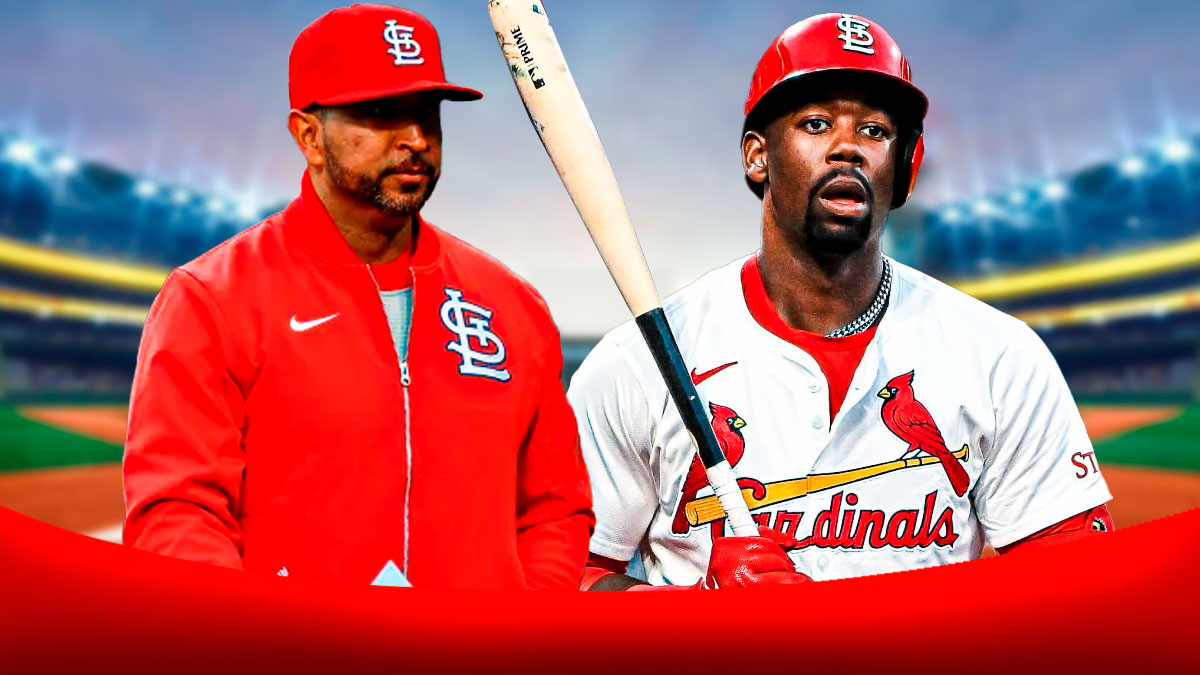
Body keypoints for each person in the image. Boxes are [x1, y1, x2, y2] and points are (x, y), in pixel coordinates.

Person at [569, 13, 1112, 591]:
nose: (847, 147)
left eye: (875, 131)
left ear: (904, 168)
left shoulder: (997, 354)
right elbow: (566, 577)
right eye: (817, 123)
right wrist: (694, 612)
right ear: (758, 157)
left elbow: (1075, 583)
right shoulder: (641, 359)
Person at [123, 4, 593, 589]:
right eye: (380, 114)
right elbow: (177, 509)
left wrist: (524, 620)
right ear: (310, 136)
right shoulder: (212, 298)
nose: (416, 139)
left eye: (426, 114)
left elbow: (555, 508)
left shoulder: (513, 306)